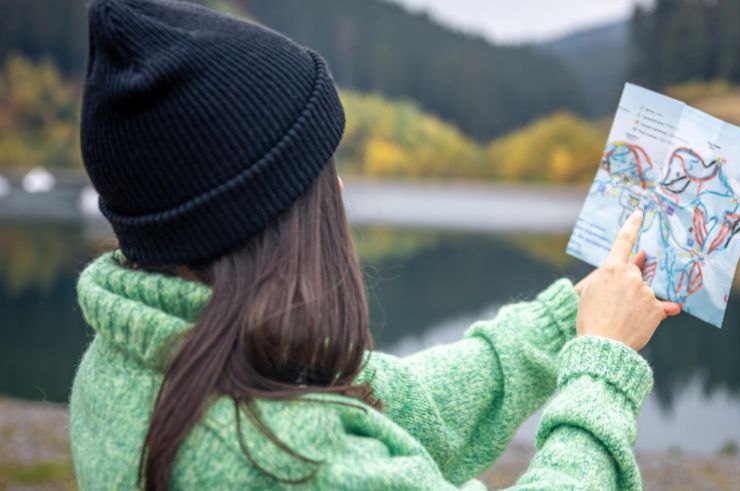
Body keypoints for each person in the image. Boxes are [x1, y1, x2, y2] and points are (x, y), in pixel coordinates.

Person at [70, 0, 681, 489]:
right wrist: (599, 371)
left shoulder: (142, 356)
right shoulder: (285, 460)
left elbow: (408, 404)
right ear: (256, 211)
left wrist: (568, 321)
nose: (335, 185)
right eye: (316, 168)